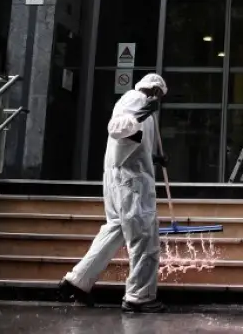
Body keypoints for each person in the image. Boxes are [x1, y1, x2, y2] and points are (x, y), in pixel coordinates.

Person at [60, 73, 168, 313]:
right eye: (159, 94)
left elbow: (130, 142)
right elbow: (117, 128)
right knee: (144, 239)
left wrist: (153, 157)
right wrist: (140, 115)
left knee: (115, 229)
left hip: (120, 177)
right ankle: (139, 297)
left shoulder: (142, 106)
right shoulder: (137, 99)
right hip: (132, 182)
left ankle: (78, 281)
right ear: (154, 91)